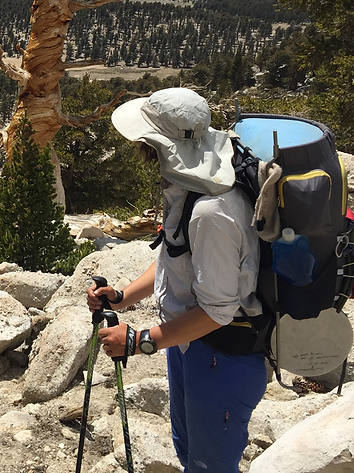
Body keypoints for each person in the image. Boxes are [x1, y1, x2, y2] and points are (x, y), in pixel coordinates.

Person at [86, 88, 265, 473]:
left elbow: (218, 310)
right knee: (190, 452)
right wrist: (121, 297)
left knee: (209, 466)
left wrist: (140, 341)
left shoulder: (213, 211)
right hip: (192, 346)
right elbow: (174, 255)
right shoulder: (192, 183)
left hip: (223, 355)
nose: (140, 148)